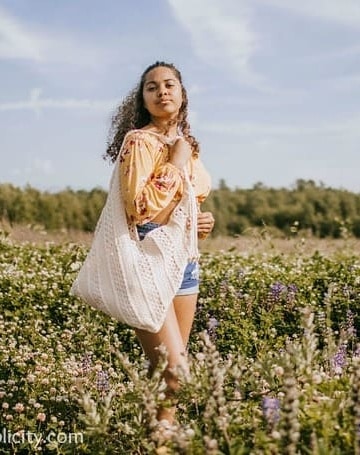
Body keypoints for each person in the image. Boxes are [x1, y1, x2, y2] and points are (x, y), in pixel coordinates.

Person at [104, 61, 215, 426]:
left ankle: (158, 443)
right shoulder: (140, 142)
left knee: (166, 379)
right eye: (152, 87)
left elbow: (184, 204)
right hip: (147, 257)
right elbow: (140, 208)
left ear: (182, 94)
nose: (162, 91)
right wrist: (176, 162)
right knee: (175, 372)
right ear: (142, 99)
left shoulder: (188, 146)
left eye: (169, 85)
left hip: (184, 260)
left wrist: (201, 222)